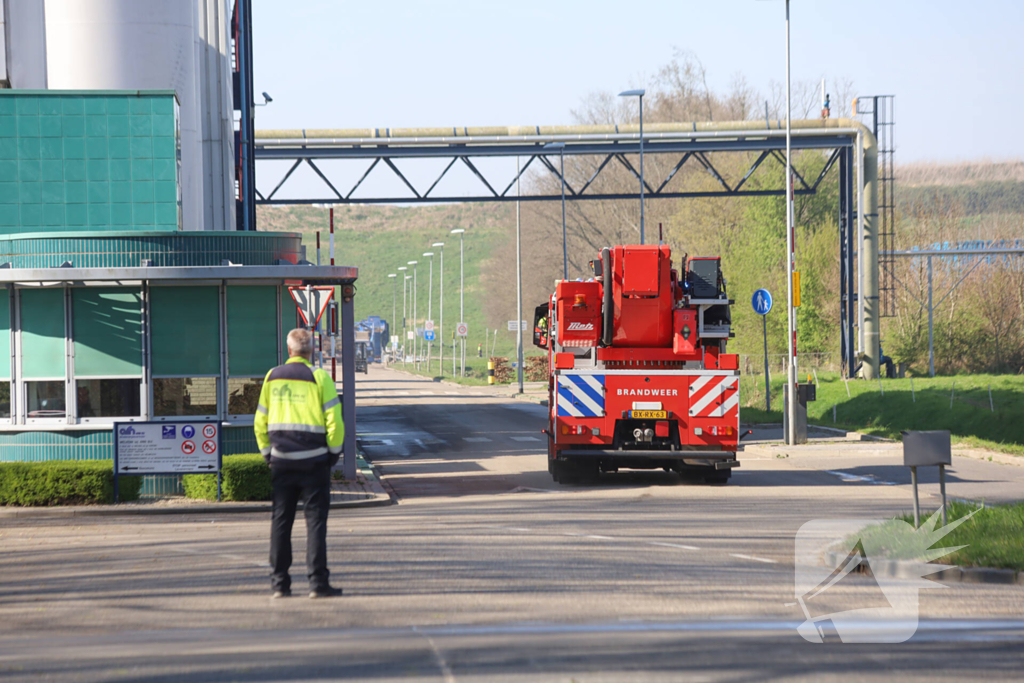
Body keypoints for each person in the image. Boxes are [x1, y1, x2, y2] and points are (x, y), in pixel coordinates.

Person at [255, 328, 344, 599]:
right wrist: (333, 454)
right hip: (314, 462)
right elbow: (335, 422)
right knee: (315, 523)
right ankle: (318, 584)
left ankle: (279, 584)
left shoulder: (272, 377)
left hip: (282, 463)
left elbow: (260, 422)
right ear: (311, 351)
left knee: (281, 521)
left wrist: (268, 454)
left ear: (289, 350)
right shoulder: (319, 377)